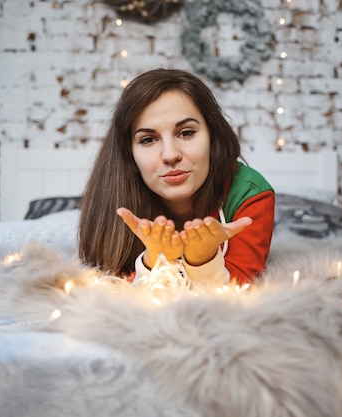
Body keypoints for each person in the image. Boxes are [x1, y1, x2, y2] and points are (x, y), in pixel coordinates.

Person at [78, 68, 275, 287]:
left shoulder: (250, 193)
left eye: (186, 133)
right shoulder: (116, 199)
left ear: (213, 136)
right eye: (148, 139)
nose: (170, 155)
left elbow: (241, 290)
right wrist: (156, 261)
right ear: (129, 153)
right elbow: (116, 286)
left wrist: (203, 260)